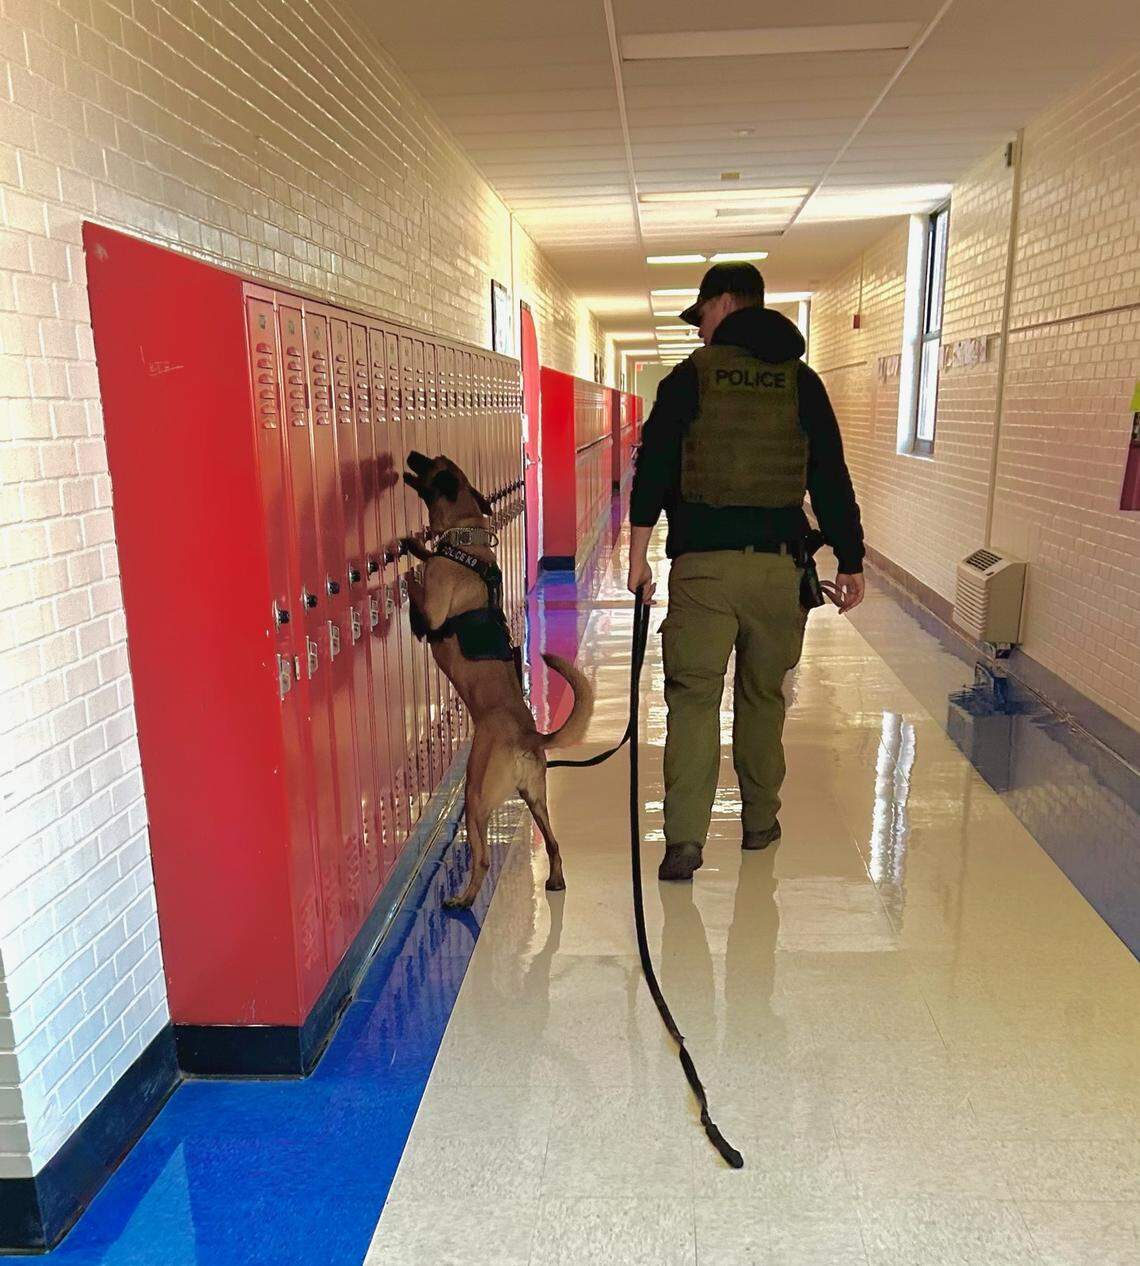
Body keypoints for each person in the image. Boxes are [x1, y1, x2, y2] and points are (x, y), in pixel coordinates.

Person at [627, 262, 865, 881]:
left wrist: (636, 554)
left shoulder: (691, 378)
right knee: (762, 699)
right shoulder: (801, 381)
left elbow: (653, 465)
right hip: (777, 573)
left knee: (694, 701)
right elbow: (829, 474)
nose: (700, 331)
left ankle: (684, 841)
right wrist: (852, 557)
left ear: (727, 305)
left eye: (702, 316)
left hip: (703, 570)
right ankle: (760, 823)